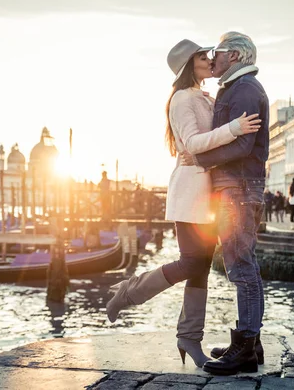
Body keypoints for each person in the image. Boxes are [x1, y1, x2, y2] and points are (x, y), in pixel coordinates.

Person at [106, 38, 261, 369]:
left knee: (201, 267)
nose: (209, 60)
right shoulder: (181, 99)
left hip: (207, 194)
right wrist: (235, 127)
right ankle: (128, 293)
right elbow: (191, 144)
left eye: (208, 55)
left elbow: (202, 145)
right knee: (192, 262)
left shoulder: (202, 97)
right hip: (190, 190)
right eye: (202, 57)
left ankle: (190, 338)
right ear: (189, 65)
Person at [181, 31, 269, 376]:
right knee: (246, 264)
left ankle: (245, 349)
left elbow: (243, 146)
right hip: (238, 187)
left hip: (239, 189)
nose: (212, 58)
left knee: (239, 267)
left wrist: (200, 160)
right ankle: (250, 342)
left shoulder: (245, 90)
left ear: (233, 56)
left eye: (216, 52)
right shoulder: (238, 88)